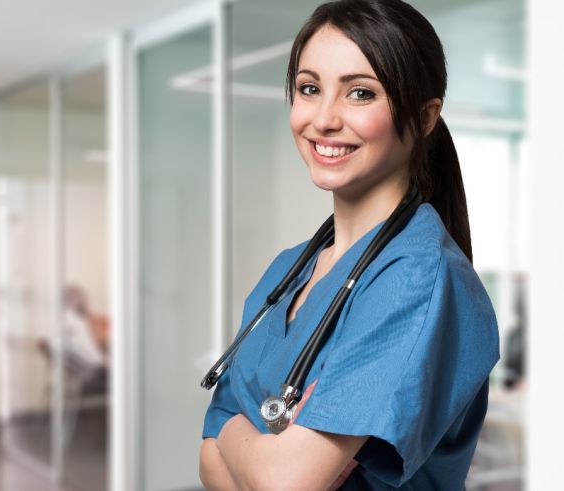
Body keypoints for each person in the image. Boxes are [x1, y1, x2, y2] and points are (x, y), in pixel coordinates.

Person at [199, 1, 500, 489]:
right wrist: (260, 449)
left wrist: (236, 432)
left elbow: (284, 481)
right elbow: (206, 462)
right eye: (309, 88)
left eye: (360, 93)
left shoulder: (418, 278)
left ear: (425, 117)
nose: (323, 119)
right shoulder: (287, 270)